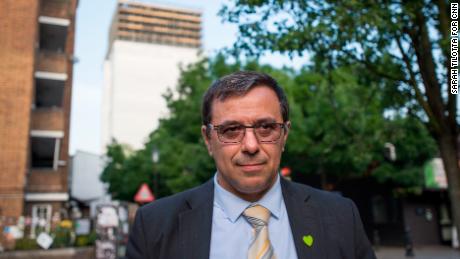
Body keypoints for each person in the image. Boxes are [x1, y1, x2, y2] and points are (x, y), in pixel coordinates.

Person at [126, 71, 376, 259]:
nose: (251, 145)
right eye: (231, 130)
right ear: (208, 139)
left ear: (285, 134)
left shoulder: (341, 217)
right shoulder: (154, 226)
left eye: (266, 127)